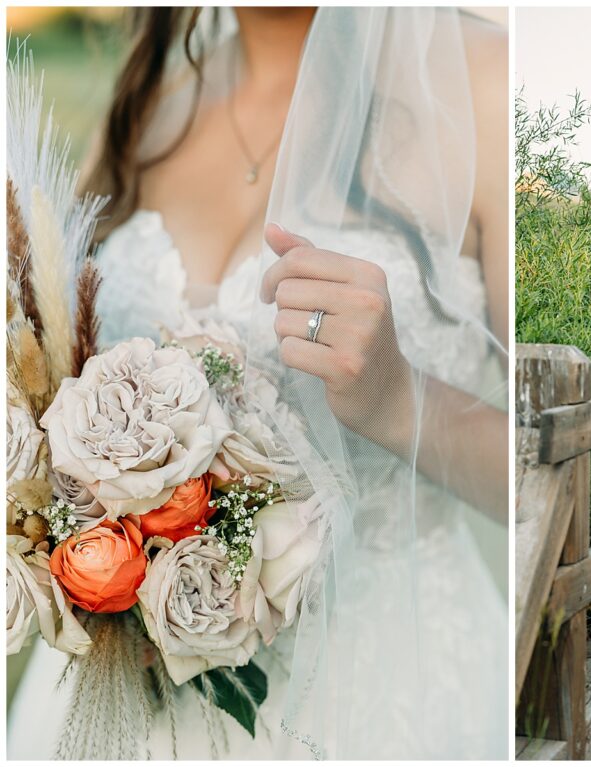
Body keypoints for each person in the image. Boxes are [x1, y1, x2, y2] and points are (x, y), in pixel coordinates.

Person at [7, 7, 508, 759]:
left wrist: (402, 404)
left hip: (377, 690)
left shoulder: (485, 80)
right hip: (124, 698)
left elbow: (552, 463)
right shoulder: (149, 106)